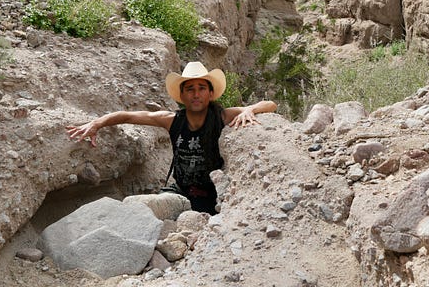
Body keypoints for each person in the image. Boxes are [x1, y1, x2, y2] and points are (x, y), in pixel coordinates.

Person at [66, 61, 277, 214]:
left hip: (211, 194)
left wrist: (249, 109)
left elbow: (270, 105)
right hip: (180, 189)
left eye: (202, 88)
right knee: (143, 209)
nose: (196, 94)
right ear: (182, 95)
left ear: (210, 94)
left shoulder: (222, 116)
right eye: (190, 89)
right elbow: (129, 116)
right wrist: (96, 124)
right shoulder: (171, 120)